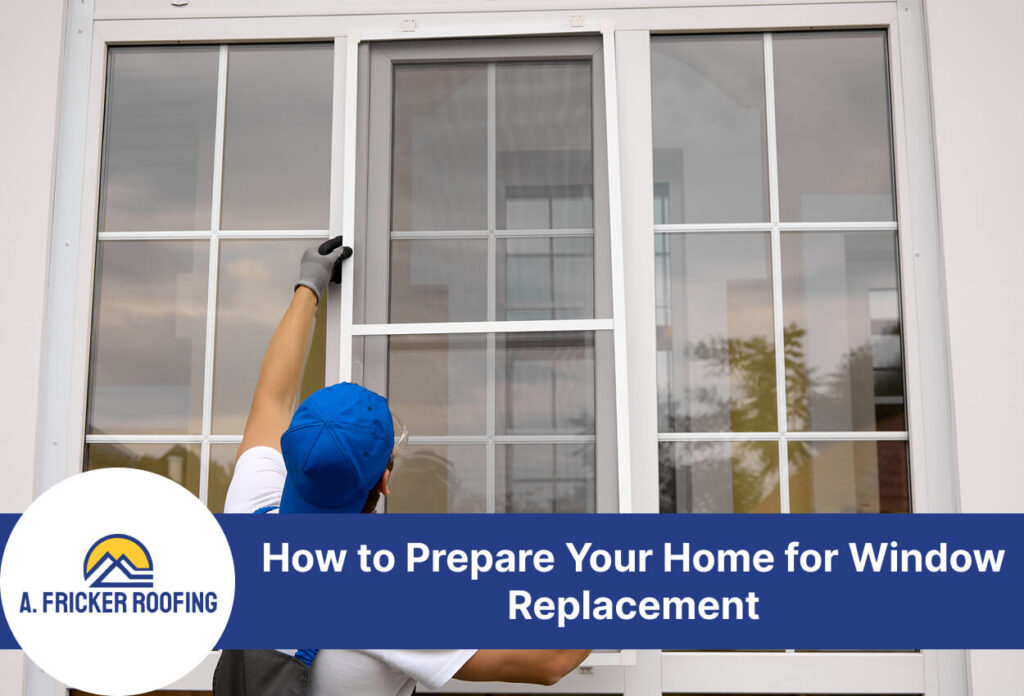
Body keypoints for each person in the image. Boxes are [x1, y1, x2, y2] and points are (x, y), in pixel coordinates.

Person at [223, 239, 590, 696]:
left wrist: (309, 283)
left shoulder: (247, 516)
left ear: (289, 455)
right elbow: (548, 659)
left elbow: (272, 398)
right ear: (384, 481)